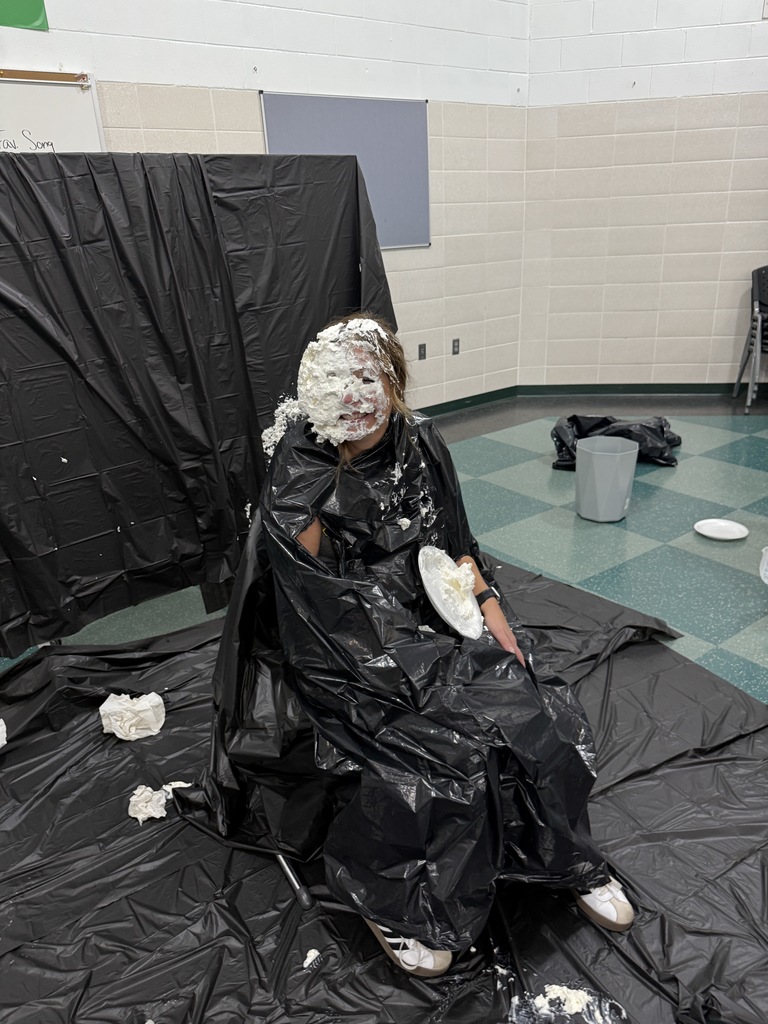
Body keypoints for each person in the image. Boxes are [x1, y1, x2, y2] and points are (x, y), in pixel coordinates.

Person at [258, 313, 634, 979]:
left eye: (367, 378)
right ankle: (399, 905)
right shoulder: (302, 464)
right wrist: (309, 478)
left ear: (394, 383)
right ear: (314, 392)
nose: (353, 396)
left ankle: (565, 857)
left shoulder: (421, 443)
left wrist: (490, 611)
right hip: (345, 649)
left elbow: (457, 549)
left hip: (434, 623)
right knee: (441, 758)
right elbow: (309, 594)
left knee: (537, 710)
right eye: (337, 383)